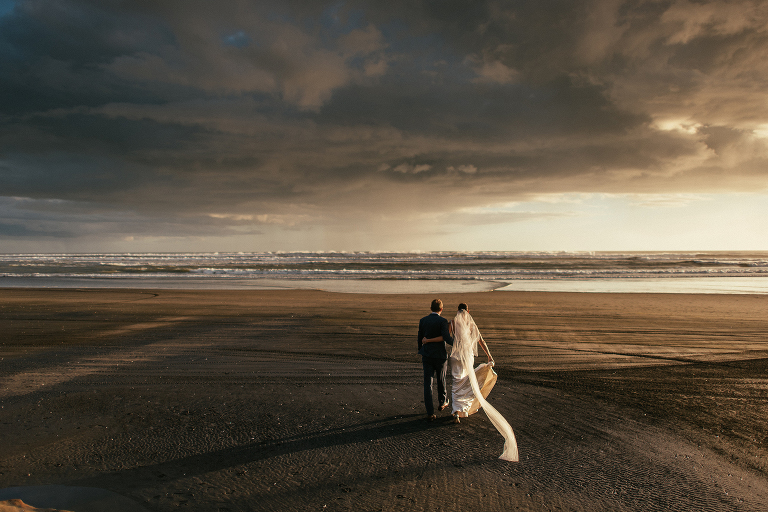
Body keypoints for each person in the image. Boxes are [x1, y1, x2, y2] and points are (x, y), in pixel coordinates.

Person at [423, 303, 519, 461]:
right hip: (467, 356)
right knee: (467, 380)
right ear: (468, 311)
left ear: (457, 311)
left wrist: (448, 346)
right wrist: (489, 356)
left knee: (456, 381)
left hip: (456, 356)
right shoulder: (472, 324)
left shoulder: (452, 323)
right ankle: (461, 409)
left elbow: (446, 339)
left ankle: (456, 412)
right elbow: (481, 340)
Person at [417, 298, 454, 421]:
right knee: (441, 379)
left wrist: (420, 350)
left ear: (430, 308)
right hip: (440, 356)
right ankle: (442, 401)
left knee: (428, 383)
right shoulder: (442, 321)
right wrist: (459, 344)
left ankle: (430, 412)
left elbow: (420, 337)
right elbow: (446, 338)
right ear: (441, 309)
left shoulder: (423, 320)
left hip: (427, 355)